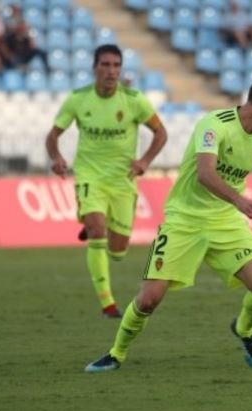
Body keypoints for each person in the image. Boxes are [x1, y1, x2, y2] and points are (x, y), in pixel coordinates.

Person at [84, 72, 252, 372]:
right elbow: (205, 173)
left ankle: (244, 330)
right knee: (148, 300)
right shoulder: (214, 125)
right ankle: (116, 354)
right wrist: (239, 201)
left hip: (224, 221)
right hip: (184, 219)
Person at [45, 44, 168, 318]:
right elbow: (52, 135)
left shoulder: (135, 100)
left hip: (123, 181)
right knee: (98, 230)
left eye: (116, 65)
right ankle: (108, 303)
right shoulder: (78, 99)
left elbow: (161, 133)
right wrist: (56, 157)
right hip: (89, 175)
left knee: (118, 252)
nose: (111, 71)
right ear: (94, 68)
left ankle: (91, 224)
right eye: (105, 65)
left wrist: (145, 161)